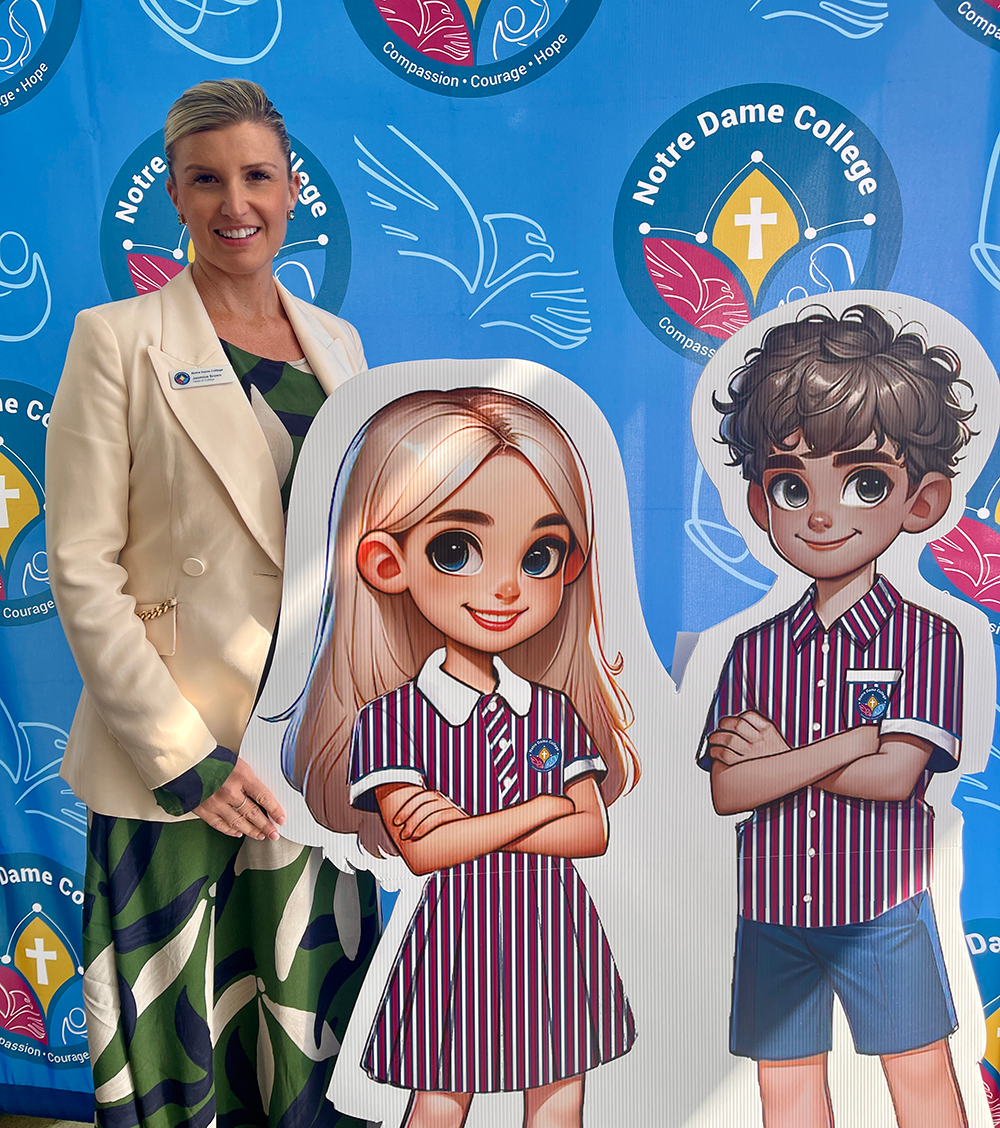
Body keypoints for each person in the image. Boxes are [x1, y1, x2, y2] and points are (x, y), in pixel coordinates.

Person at [46, 79, 377, 1127]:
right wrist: (183, 756)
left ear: (290, 191)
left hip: (311, 760)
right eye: (206, 180)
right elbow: (81, 566)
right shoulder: (117, 340)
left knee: (309, 1038)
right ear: (176, 200)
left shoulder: (343, 345)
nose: (236, 203)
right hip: (182, 769)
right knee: (180, 1056)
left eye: (256, 177)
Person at [279, 387, 639, 1128]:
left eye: (541, 554)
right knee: (441, 1105)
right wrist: (544, 808)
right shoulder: (391, 721)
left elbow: (590, 833)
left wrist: (477, 825)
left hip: (555, 932)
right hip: (457, 943)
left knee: (559, 1101)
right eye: (457, 549)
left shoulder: (551, 708)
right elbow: (427, 851)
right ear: (384, 562)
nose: (507, 587)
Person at [698, 305, 975, 1128]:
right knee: (786, 1091)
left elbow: (896, 778)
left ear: (921, 501)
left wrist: (784, 755)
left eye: (863, 484)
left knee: (920, 1080)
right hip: (773, 909)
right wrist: (850, 741)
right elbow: (727, 792)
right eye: (792, 485)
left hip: (882, 908)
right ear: (759, 502)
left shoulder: (927, 637)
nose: (821, 514)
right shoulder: (752, 650)